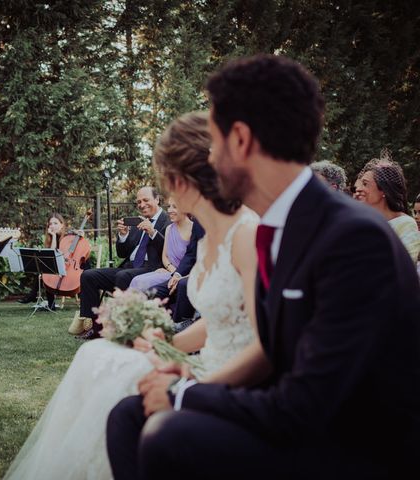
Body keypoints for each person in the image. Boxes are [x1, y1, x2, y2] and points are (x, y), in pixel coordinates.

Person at [107, 54, 420, 480]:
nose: (210, 160)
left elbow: (305, 404)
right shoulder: (284, 226)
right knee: (128, 416)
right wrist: (192, 372)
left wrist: (186, 395)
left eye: (214, 143)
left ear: (241, 139)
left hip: (350, 446)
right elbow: (277, 349)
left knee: (169, 433)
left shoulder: (352, 239)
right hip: (297, 419)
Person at [4, 111, 259, 480]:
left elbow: (263, 337)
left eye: (170, 180)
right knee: (98, 354)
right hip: (201, 360)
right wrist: (166, 339)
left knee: (111, 374)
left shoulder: (248, 234)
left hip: (230, 378)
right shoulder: (210, 235)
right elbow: (217, 321)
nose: (168, 193)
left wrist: (187, 376)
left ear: (188, 177)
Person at [71, 187, 170, 340]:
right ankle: (95, 329)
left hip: (152, 269)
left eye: (145, 200)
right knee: (88, 275)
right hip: (129, 267)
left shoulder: (167, 220)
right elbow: (122, 253)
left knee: (123, 276)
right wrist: (123, 236)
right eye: (138, 202)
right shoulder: (138, 222)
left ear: (157, 199)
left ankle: (121, 327)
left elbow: (169, 248)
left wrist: (152, 232)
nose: (141, 204)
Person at [354, 152, 420, 261]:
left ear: (383, 190)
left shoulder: (405, 224)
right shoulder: (363, 221)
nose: (359, 189)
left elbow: (404, 264)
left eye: (365, 184)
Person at [128, 197, 192, 291]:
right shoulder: (169, 229)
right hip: (170, 271)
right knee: (136, 280)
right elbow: (165, 257)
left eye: (175, 207)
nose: (170, 210)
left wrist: (177, 274)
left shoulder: (195, 230)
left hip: (185, 275)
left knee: (141, 283)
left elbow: (195, 260)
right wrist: (171, 270)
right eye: (169, 206)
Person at [151, 220, 205, 327]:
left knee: (183, 284)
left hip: (212, 271)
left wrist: (189, 275)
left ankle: (180, 325)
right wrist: (177, 274)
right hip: (190, 271)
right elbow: (191, 254)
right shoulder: (198, 222)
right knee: (153, 292)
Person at [17, 213, 67, 310]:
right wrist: (52, 236)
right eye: (50, 224)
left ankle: (33, 296)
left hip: (65, 268)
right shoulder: (51, 238)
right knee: (43, 269)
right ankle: (47, 303)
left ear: (62, 225)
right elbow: (50, 256)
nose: (52, 226)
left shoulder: (67, 238)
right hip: (54, 268)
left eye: (55, 223)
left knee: (46, 272)